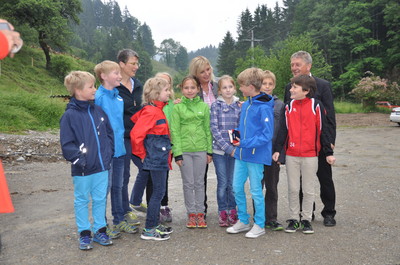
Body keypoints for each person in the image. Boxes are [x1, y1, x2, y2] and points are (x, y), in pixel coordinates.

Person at [274, 74, 336, 234]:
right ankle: (294, 219)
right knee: (293, 189)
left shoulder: (316, 105)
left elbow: (324, 130)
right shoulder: (288, 107)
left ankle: (307, 219)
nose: (291, 89)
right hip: (292, 154)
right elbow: (283, 130)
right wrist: (277, 150)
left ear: (306, 90)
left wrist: (328, 152)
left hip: (310, 155)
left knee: (308, 189)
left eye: (295, 87)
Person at [60, 71, 114, 250]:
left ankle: (100, 230)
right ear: (77, 90)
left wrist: (108, 154)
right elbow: (67, 144)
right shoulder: (69, 116)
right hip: (82, 169)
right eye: (91, 86)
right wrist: (79, 160)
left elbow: (108, 133)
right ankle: (84, 233)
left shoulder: (98, 110)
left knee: (100, 199)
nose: (95, 89)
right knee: (82, 200)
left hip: (101, 167)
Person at [226, 68, 274, 238]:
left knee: (255, 191)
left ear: (251, 86)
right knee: (236, 187)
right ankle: (243, 220)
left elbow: (267, 135)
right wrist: (235, 137)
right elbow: (242, 127)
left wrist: (244, 143)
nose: (240, 89)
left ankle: (259, 224)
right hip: (241, 155)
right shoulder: (246, 104)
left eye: (242, 86)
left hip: (256, 156)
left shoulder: (264, 108)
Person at [94, 60, 138, 239]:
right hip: (106, 152)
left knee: (119, 186)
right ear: (104, 76)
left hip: (120, 149)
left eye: (119, 73)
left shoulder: (118, 97)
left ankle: (119, 219)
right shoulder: (99, 98)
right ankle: (102, 225)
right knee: (105, 187)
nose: (120, 76)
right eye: (116, 73)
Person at [130, 77, 173, 241]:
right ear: (156, 93)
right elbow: (136, 136)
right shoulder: (151, 111)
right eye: (166, 90)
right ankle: (149, 228)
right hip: (155, 159)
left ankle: (154, 224)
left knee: (158, 192)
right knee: (158, 193)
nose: (169, 93)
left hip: (159, 158)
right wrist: (142, 156)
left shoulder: (158, 109)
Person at [170, 76, 212, 229]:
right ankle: (191, 213)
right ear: (182, 89)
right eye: (186, 88)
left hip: (201, 149)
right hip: (185, 151)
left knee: (200, 182)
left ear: (198, 89)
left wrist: (209, 151)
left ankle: (200, 214)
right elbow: (174, 131)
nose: (189, 91)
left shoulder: (204, 107)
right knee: (188, 183)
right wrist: (177, 153)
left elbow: (208, 129)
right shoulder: (177, 108)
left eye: (192, 88)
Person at [116, 49, 147, 226]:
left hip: (139, 135)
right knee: (124, 175)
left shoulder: (138, 84)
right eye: (132, 63)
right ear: (121, 64)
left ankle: (135, 200)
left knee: (146, 167)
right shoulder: (114, 85)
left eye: (137, 63)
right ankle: (125, 210)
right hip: (122, 137)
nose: (136, 67)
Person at [188, 56, 218, 215]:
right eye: (202, 72)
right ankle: (201, 209)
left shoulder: (219, 85)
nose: (207, 74)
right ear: (196, 73)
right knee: (200, 178)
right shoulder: (192, 89)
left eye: (208, 69)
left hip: (220, 137)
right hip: (200, 138)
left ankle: (227, 210)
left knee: (225, 177)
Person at [210, 75, 241, 227]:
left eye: (230, 87)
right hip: (219, 152)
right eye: (224, 87)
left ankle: (233, 210)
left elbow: (238, 127)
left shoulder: (238, 106)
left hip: (235, 152)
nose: (228, 90)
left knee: (233, 183)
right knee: (223, 183)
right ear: (219, 91)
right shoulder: (215, 106)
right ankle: (223, 211)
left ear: (234, 88)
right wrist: (228, 149)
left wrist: (234, 148)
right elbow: (214, 130)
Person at [260, 70, 285, 231]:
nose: (267, 87)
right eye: (264, 83)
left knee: (272, 187)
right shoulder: (252, 103)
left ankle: (272, 218)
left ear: (274, 85)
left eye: (270, 84)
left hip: (273, 153)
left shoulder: (280, 105)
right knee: (257, 187)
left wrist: (279, 152)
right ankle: (259, 218)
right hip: (257, 154)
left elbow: (283, 130)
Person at [154, 72, 180, 223]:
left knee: (164, 178)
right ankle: (154, 207)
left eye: (167, 82)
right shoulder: (150, 105)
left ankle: (164, 205)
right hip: (154, 147)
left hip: (167, 146)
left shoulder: (173, 104)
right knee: (153, 179)